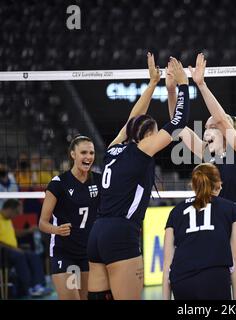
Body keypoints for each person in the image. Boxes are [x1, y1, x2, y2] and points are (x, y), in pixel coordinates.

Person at [87, 54, 190, 300]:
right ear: (148, 136)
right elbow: (178, 123)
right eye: (155, 133)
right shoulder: (142, 149)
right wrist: (184, 85)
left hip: (97, 233)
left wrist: (153, 84)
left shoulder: (113, 149)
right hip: (121, 233)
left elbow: (131, 121)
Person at [173, 53, 236, 299]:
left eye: (212, 127)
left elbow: (223, 120)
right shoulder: (207, 157)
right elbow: (178, 126)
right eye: (206, 127)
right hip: (216, 234)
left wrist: (200, 84)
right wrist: (176, 88)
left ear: (227, 132)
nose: (207, 130)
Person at [162, 163, 236, 300]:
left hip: (182, 280)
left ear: (193, 185)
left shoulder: (175, 212)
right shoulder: (233, 209)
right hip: (214, 279)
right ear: (218, 184)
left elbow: (167, 264)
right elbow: (235, 258)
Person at [39, 135, 101, 300]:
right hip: (64, 253)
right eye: (83, 152)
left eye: (91, 153)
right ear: (73, 154)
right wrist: (57, 230)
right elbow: (42, 223)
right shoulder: (58, 183)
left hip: (88, 253)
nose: (88, 157)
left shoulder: (99, 181)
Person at [0, 199, 49, 298]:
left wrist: (28, 231)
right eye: (17, 212)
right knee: (20, 255)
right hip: (3, 252)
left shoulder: (8, 220)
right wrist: (13, 249)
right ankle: (28, 288)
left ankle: (38, 286)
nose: (18, 215)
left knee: (33, 255)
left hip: (13, 250)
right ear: (10, 209)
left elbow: (15, 233)